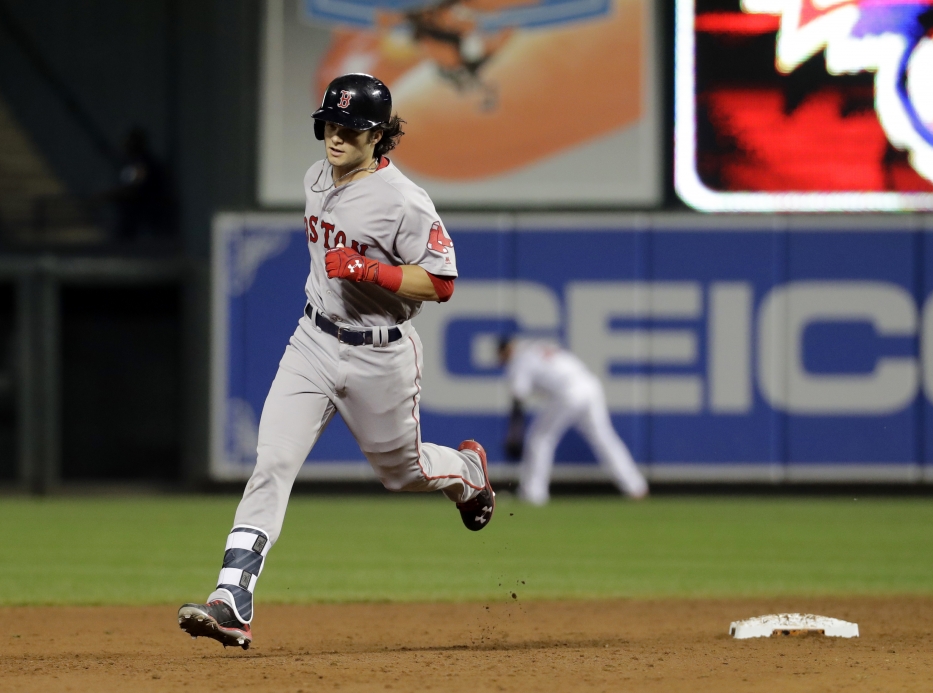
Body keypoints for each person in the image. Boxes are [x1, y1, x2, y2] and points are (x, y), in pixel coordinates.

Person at [177, 73, 494, 650]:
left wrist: (371, 270)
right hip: (313, 342)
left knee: (405, 473)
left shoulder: (405, 200)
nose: (336, 137)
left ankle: (467, 474)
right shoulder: (315, 176)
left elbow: (443, 283)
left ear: (379, 137)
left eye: (351, 129)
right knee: (272, 461)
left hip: (381, 354)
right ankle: (232, 596)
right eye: (330, 124)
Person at [499, 336, 648, 505]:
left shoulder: (520, 359)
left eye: (501, 354)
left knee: (540, 438)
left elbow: (518, 398)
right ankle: (636, 487)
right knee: (604, 438)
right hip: (589, 386)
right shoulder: (538, 346)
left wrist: (514, 434)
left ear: (507, 350)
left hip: (568, 393)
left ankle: (533, 493)